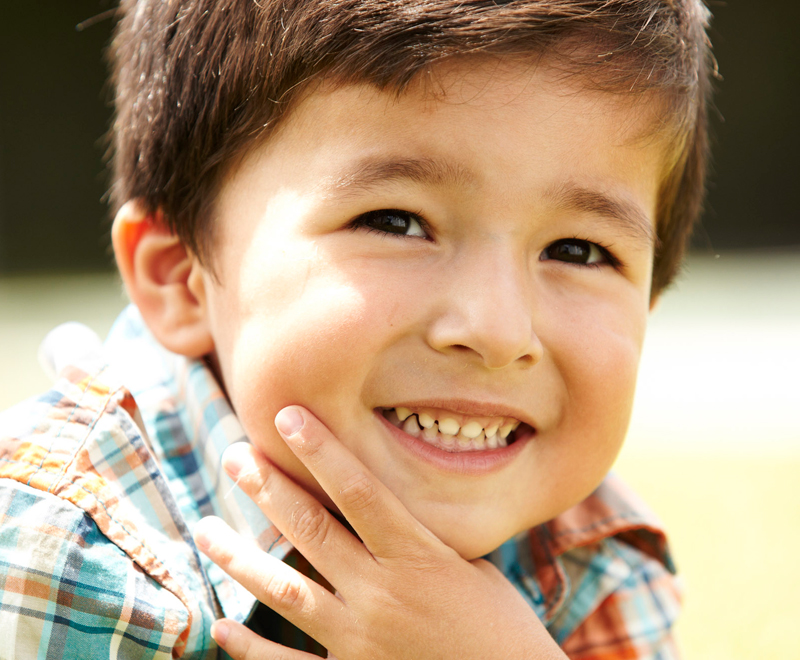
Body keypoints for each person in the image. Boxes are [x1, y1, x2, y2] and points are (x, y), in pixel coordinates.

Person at [0, 0, 714, 657]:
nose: (497, 330)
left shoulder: (595, 549)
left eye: (579, 251)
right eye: (397, 222)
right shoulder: (65, 547)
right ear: (181, 277)